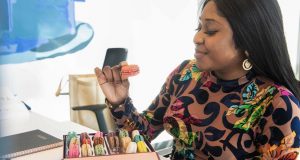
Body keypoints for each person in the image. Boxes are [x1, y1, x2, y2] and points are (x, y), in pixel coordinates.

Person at [94, 0, 300, 159]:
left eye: (210, 30)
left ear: (249, 38)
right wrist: (119, 101)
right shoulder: (186, 73)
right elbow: (142, 135)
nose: (197, 38)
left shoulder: (277, 104)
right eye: (198, 27)